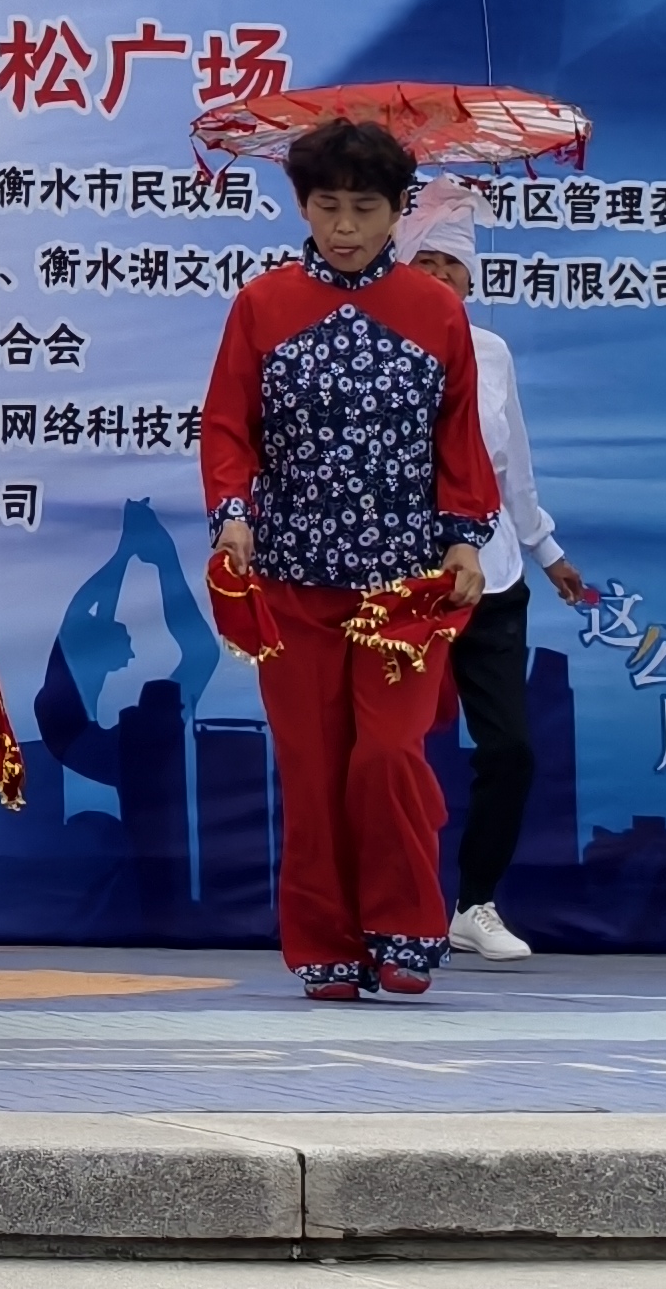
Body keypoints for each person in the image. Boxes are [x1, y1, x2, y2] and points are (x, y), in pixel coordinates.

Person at [200, 117, 495, 1001]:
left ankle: (405, 930)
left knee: (389, 756)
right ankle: (326, 945)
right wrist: (233, 518)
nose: (344, 225)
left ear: (399, 211)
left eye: (365, 208)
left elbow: (459, 438)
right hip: (292, 579)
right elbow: (228, 426)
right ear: (302, 205)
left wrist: (464, 537)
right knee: (314, 764)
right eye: (326, 204)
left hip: (406, 585)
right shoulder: (263, 304)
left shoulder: (436, 311)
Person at [399, 181, 591, 963]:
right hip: (402, 578)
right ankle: (391, 903)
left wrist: (546, 550)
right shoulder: (374, 346)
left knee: (509, 749)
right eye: (425, 261)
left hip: (493, 573)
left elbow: (511, 463)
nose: (441, 276)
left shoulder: (491, 352)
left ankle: (472, 902)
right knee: (392, 750)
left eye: (453, 264)